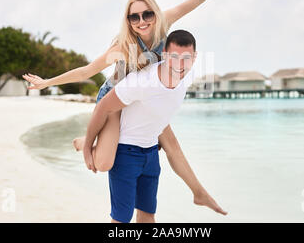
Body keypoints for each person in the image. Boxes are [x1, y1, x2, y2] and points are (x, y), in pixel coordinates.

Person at [22, 0, 240, 171]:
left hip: (145, 98)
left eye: (147, 14)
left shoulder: (165, 21)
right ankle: (84, 142)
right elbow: (87, 71)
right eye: (134, 17)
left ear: (155, 12)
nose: (142, 21)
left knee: (168, 145)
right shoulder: (124, 45)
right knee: (103, 164)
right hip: (115, 100)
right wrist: (47, 82)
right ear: (128, 21)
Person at [84, 30, 227, 223]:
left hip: (151, 153)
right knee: (121, 220)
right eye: (174, 57)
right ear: (166, 55)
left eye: (186, 58)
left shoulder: (188, 76)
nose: (179, 64)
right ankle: (84, 143)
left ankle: (199, 194)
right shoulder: (142, 82)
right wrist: (87, 146)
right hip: (125, 152)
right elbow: (103, 107)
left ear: (194, 58)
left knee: (148, 214)